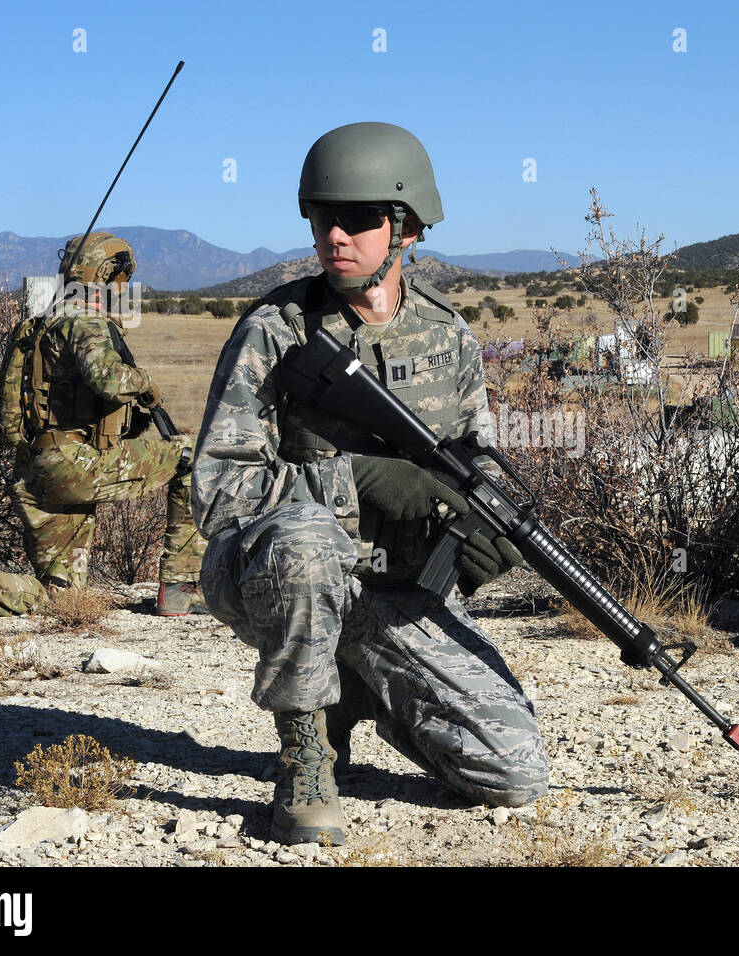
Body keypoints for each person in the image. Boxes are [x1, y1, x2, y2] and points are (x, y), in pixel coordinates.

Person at [193, 122, 549, 846]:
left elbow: (477, 456)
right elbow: (218, 490)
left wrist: (482, 525)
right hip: (275, 574)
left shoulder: (449, 336)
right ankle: (305, 757)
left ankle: (357, 687)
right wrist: (355, 479)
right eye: (324, 217)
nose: (336, 236)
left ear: (408, 227)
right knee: (305, 543)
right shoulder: (276, 331)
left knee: (514, 774)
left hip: (394, 592)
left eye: (360, 219)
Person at [0, 233, 208, 623]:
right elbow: (107, 379)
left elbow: (23, 415)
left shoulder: (34, 328)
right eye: (119, 280)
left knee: (61, 596)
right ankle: (180, 588)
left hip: (36, 471)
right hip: (77, 466)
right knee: (191, 458)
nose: (121, 290)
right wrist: (144, 382)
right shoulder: (85, 321)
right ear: (104, 277)